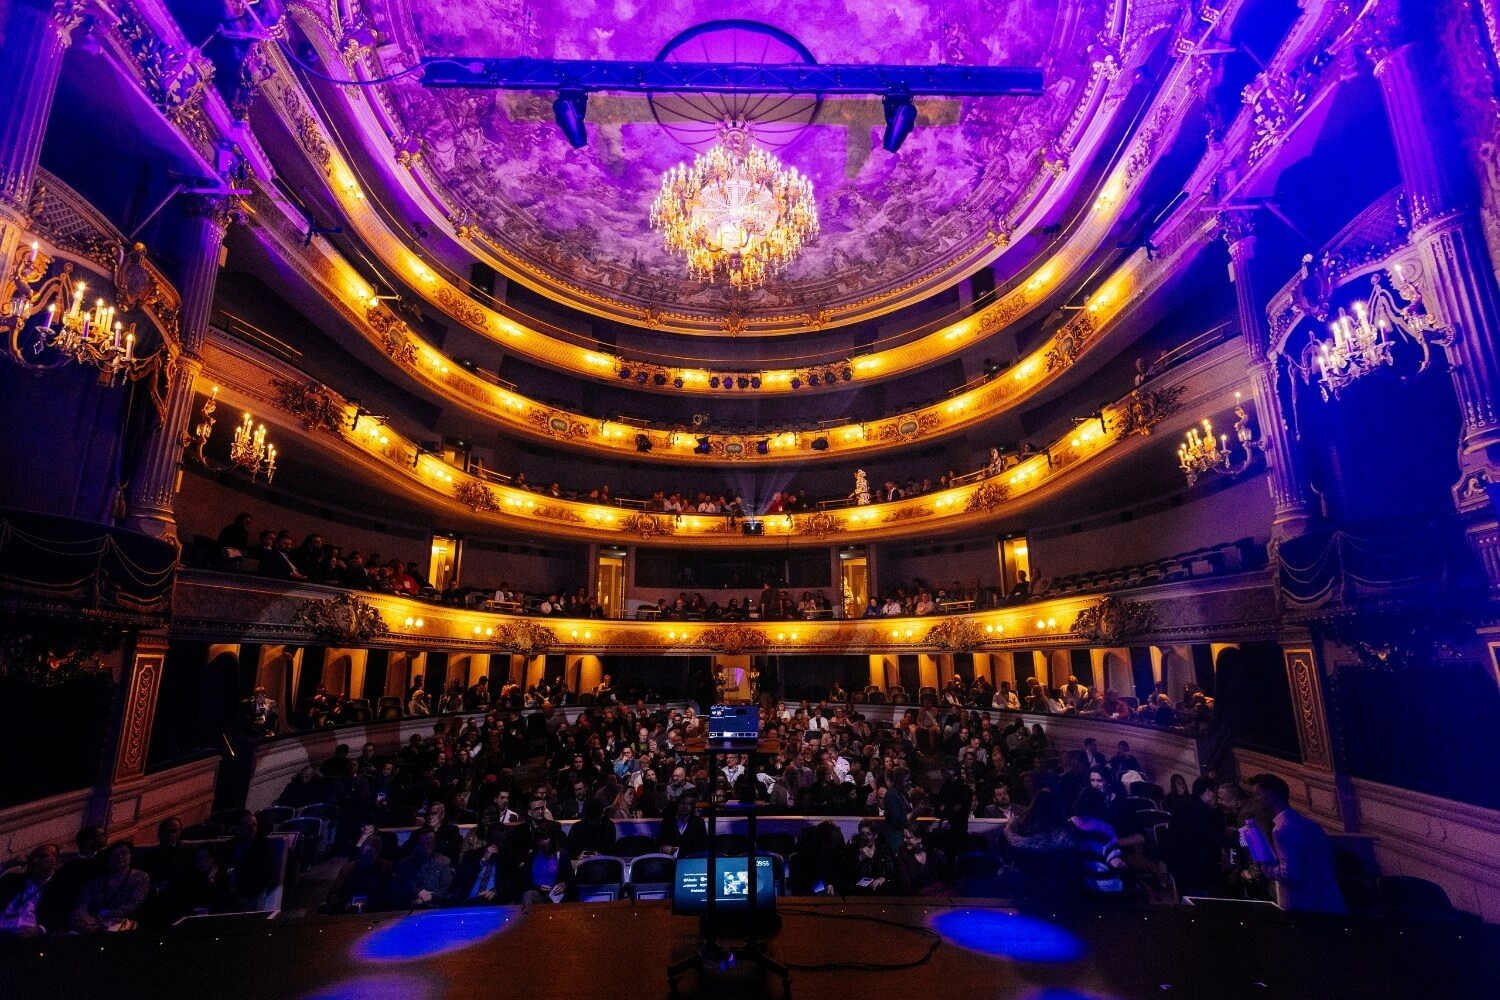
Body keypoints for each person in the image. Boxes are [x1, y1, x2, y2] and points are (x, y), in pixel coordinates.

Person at [1247, 773, 1345, 913]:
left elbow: (1289, 874)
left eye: (1258, 794)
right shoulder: (1311, 825)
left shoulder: (1281, 829)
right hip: (1329, 901)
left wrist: (1266, 867)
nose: (1257, 800)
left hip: (1305, 906)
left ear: (1271, 796)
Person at [71, 841, 150, 933]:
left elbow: (132, 904)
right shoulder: (98, 881)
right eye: (115, 854)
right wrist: (82, 917)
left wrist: (100, 917)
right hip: (94, 924)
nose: (120, 857)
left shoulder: (140, 877)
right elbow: (83, 903)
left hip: (125, 924)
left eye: (124, 853)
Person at [0, 844, 67, 937]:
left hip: (28, 935)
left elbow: (61, 915)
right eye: (32, 858)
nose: (35, 861)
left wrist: (39, 929)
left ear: (56, 860)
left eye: (42, 856)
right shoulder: (13, 880)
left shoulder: (60, 887)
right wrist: (9, 863)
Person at [326, 837, 395, 914]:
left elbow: (392, 895)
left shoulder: (386, 867)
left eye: (371, 856)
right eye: (365, 856)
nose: (367, 860)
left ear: (378, 855)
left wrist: (371, 904)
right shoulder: (347, 869)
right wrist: (345, 905)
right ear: (361, 853)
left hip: (375, 913)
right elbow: (332, 896)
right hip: (349, 914)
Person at [521, 828, 572, 904]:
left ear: (552, 839)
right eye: (539, 839)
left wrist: (564, 884)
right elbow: (525, 880)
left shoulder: (562, 854)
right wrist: (538, 888)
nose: (542, 842)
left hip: (556, 893)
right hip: (537, 892)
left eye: (545, 838)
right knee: (529, 895)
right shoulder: (532, 855)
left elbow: (571, 877)